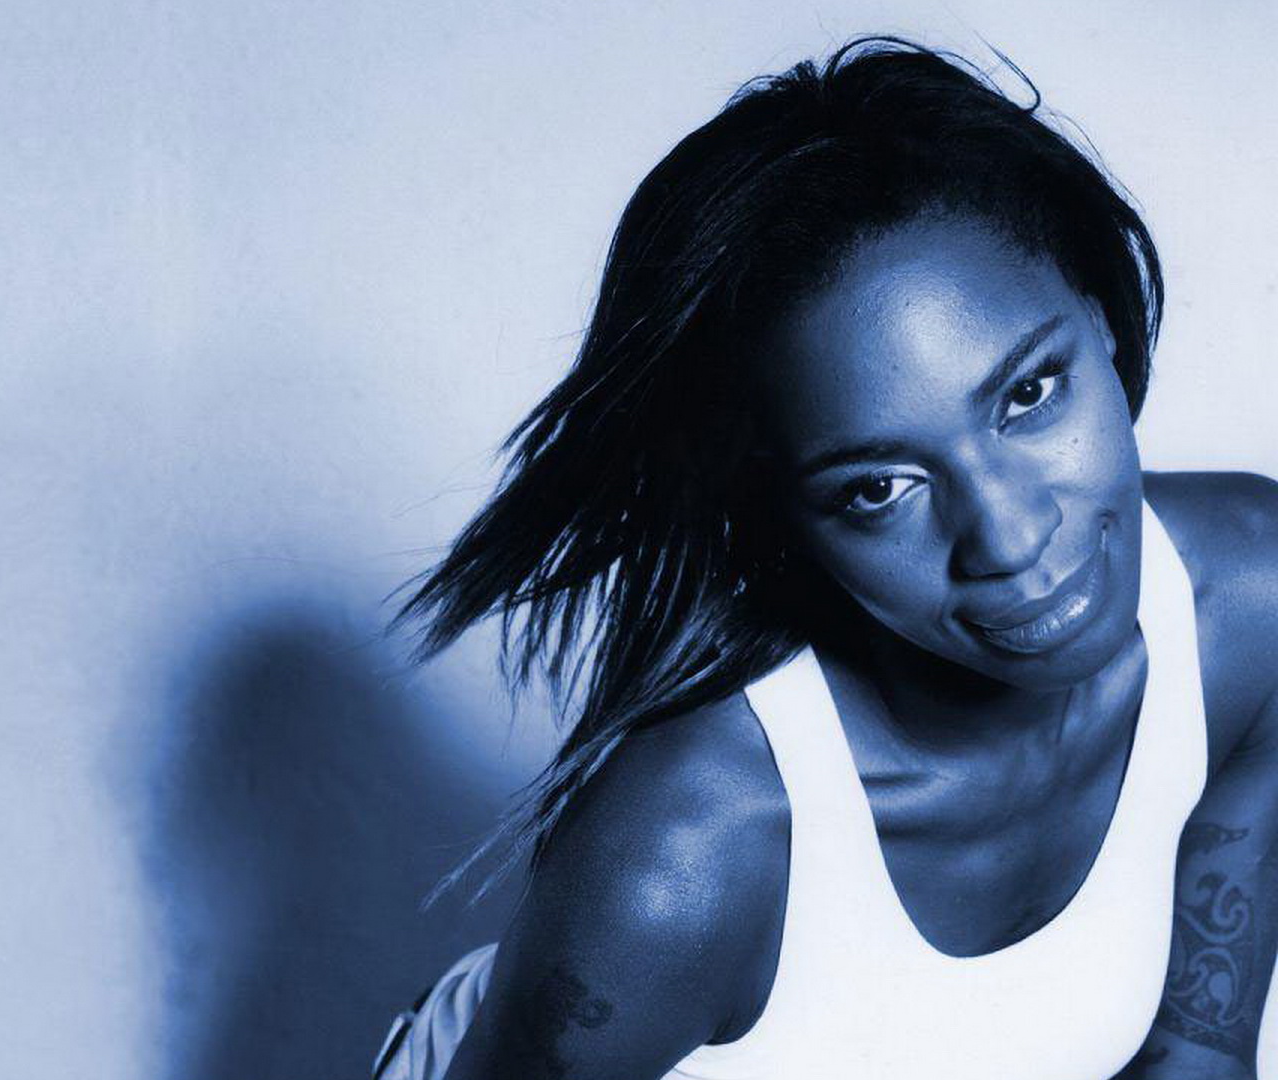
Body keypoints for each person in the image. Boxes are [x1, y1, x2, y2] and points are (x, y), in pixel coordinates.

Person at [372, 36, 1278, 1080]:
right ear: (786, 517)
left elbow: (1196, 1060)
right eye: (878, 488)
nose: (1009, 538)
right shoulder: (688, 856)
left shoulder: (1243, 600)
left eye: (1028, 395)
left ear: (1102, 319)